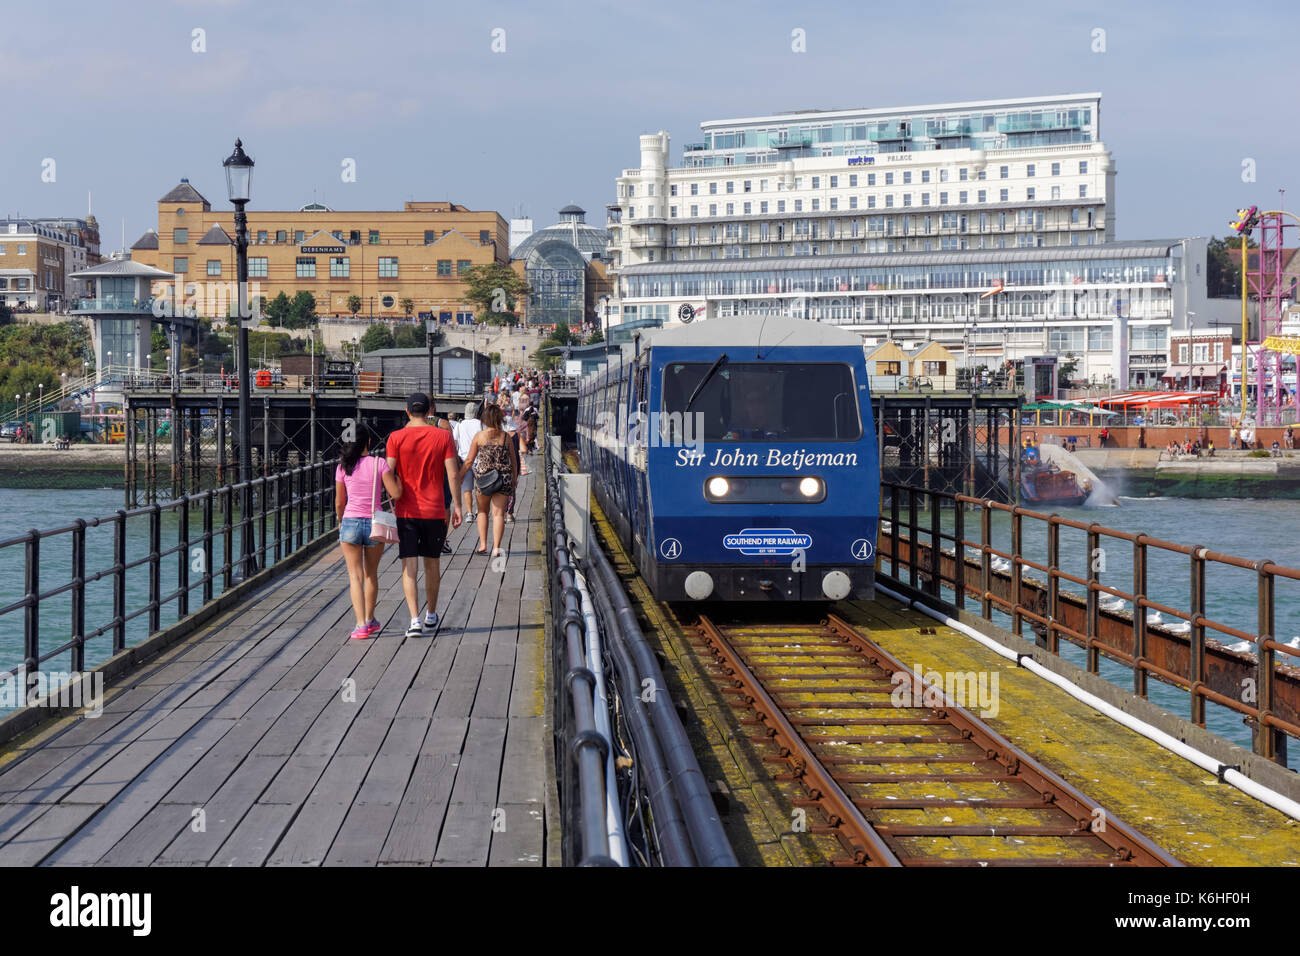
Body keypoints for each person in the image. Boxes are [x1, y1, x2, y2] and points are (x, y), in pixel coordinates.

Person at [386, 392, 462, 638]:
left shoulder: (395, 438)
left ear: (407, 411)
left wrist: (390, 499)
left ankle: (414, 620)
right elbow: (452, 474)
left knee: (409, 564)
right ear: (430, 410)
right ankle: (431, 614)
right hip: (435, 510)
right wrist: (458, 506)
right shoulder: (443, 436)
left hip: (406, 510)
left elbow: (388, 473)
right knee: (432, 563)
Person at [334, 423, 400, 640]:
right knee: (371, 574)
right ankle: (370, 620)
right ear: (368, 443)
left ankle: (360, 624)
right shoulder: (379, 463)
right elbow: (395, 493)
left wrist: (340, 520)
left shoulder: (343, 466)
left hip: (351, 522)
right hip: (374, 523)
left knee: (355, 577)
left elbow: (339, 502)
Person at [463, 404, 519, 557]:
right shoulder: (506, 437)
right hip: (503, 477)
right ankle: (496, 548)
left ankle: (482, 545)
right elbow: (514, 460)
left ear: (485, 419)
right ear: (499, 419)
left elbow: (469, 460)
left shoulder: (479, 436)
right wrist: (514, 478)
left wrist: (459, 476)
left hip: (484, 478)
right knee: (499, 513)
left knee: (482, 511)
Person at [453, 401, 483, 521]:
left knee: (467, 488)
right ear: (476, 413)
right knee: (480, 487)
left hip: (464, 461)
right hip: (479, 459)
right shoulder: (480, 424)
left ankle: (469, 513)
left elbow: (455, 442)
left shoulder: (460, 425)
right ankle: (480, 510)